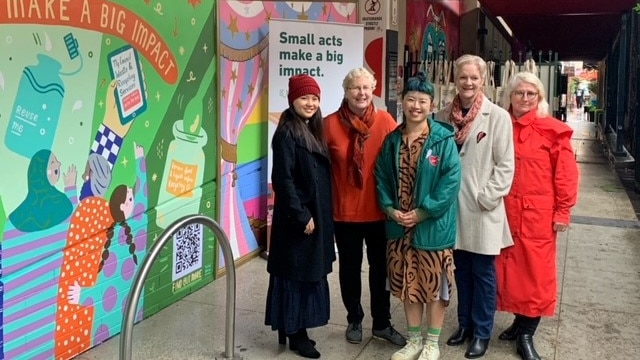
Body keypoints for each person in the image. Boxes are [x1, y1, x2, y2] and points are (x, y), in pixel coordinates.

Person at [375, 72, 462, 360]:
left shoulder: (443, 138)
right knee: (408, 284)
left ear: (431, 105)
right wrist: (390, 209)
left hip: (432, 227)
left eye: (422, 101)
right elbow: (381, 178)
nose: (416, 106)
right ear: (402, 102)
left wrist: (423, 212)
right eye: (410, 99)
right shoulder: (391, 141)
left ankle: (431, 343)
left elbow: (451, 181)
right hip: (400, 227)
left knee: (435, 286)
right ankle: (413, 340)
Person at [434, 54, 515, 359]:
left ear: (483, 80)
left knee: (483, 273)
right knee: (461, 271)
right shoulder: (441, 117)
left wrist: (487, 197)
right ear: (455, 79)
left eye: (474, 78)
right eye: (463, 77)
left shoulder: (497, 117)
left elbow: (506, 166)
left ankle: (482, 332)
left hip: (482, 210)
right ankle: (465, 325)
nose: (468, 83)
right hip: (451, 210)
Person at [496, 72, 579, 360]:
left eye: (532, 94)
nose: (525, 98)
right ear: (510, 95)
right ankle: (519, 323)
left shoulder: (552, 130)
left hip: (537, 217)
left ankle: (528, 333)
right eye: (520, 93)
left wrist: (563, 211)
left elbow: (566, 174)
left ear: (540, 98)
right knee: (509, 271)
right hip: (504, 212)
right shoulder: (499, 123)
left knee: (536, 275)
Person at [324, 67, 405, 347]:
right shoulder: (329, 124)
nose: (361, 93)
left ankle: (382, 322)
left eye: (366, 88)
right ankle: (354, 319)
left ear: (374, 90)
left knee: (380, 269)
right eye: (355, 88)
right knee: (349, 268)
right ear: (345, 92)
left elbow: (400, 163)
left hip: (380, 211)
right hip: (344, 213)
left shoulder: (385, 121)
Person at [265, 74, 335, 359]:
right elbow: (283, 180)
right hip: (299, 221)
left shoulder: (310, 129)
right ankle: (296, 333)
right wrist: (301, 215)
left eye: (315, 98)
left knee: (306, 273)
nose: (310, 103)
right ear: (292, 99)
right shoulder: (286, 133)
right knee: (296, 276)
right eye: (305, 98)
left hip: (314, 216)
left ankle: (295, 327)